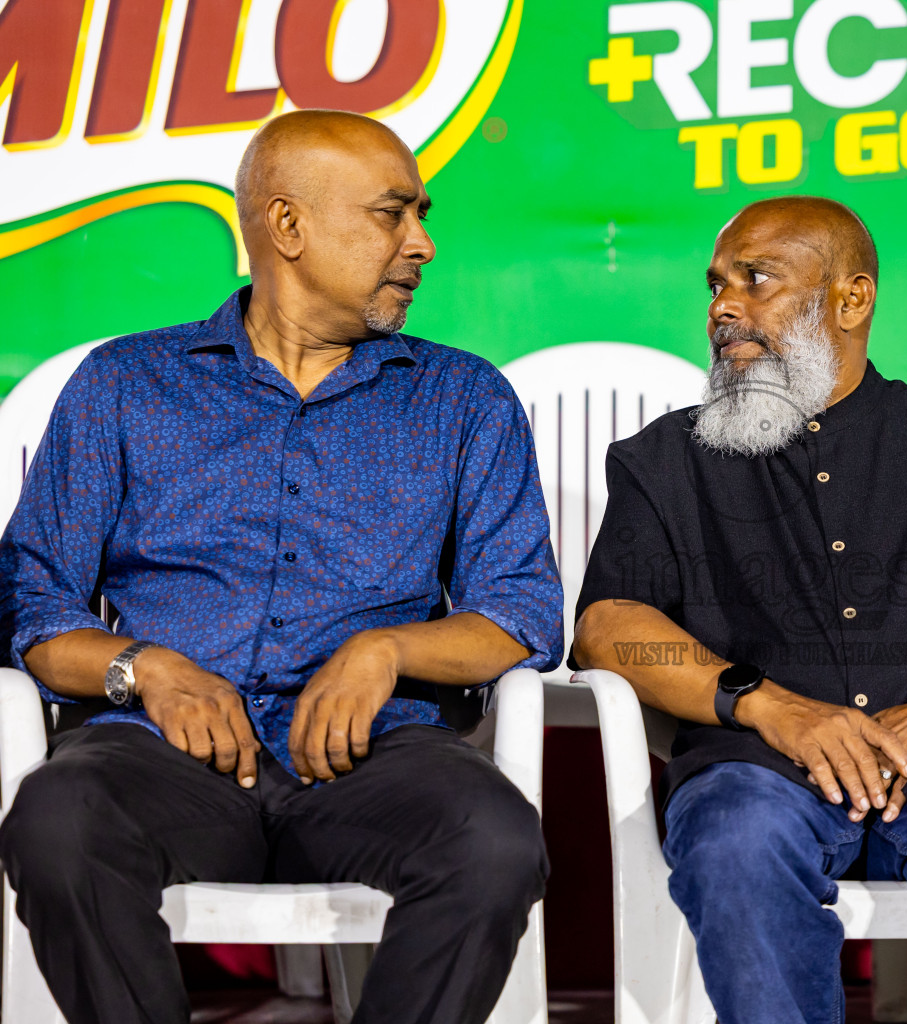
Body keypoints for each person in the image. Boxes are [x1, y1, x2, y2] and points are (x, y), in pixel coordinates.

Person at [0, 110, 562, 1024]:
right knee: (58, 822)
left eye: (422, 215)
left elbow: (525, 613)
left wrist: (385, 650)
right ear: (287, 226)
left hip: (374, 760)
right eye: (392, 215)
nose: (422, 244)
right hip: (161, 754)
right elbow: (29, 598)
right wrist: (146, 667)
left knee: (494, 843)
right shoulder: (126, 383)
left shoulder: (464, 398)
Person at [569, 195, 907, 1024]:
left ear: (852, 299)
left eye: (756, 281)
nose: (723, 306)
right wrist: (771, 706)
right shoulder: (667, 458)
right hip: (760, 765)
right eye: (715, 286)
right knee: (734, 847)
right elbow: (609, 629)